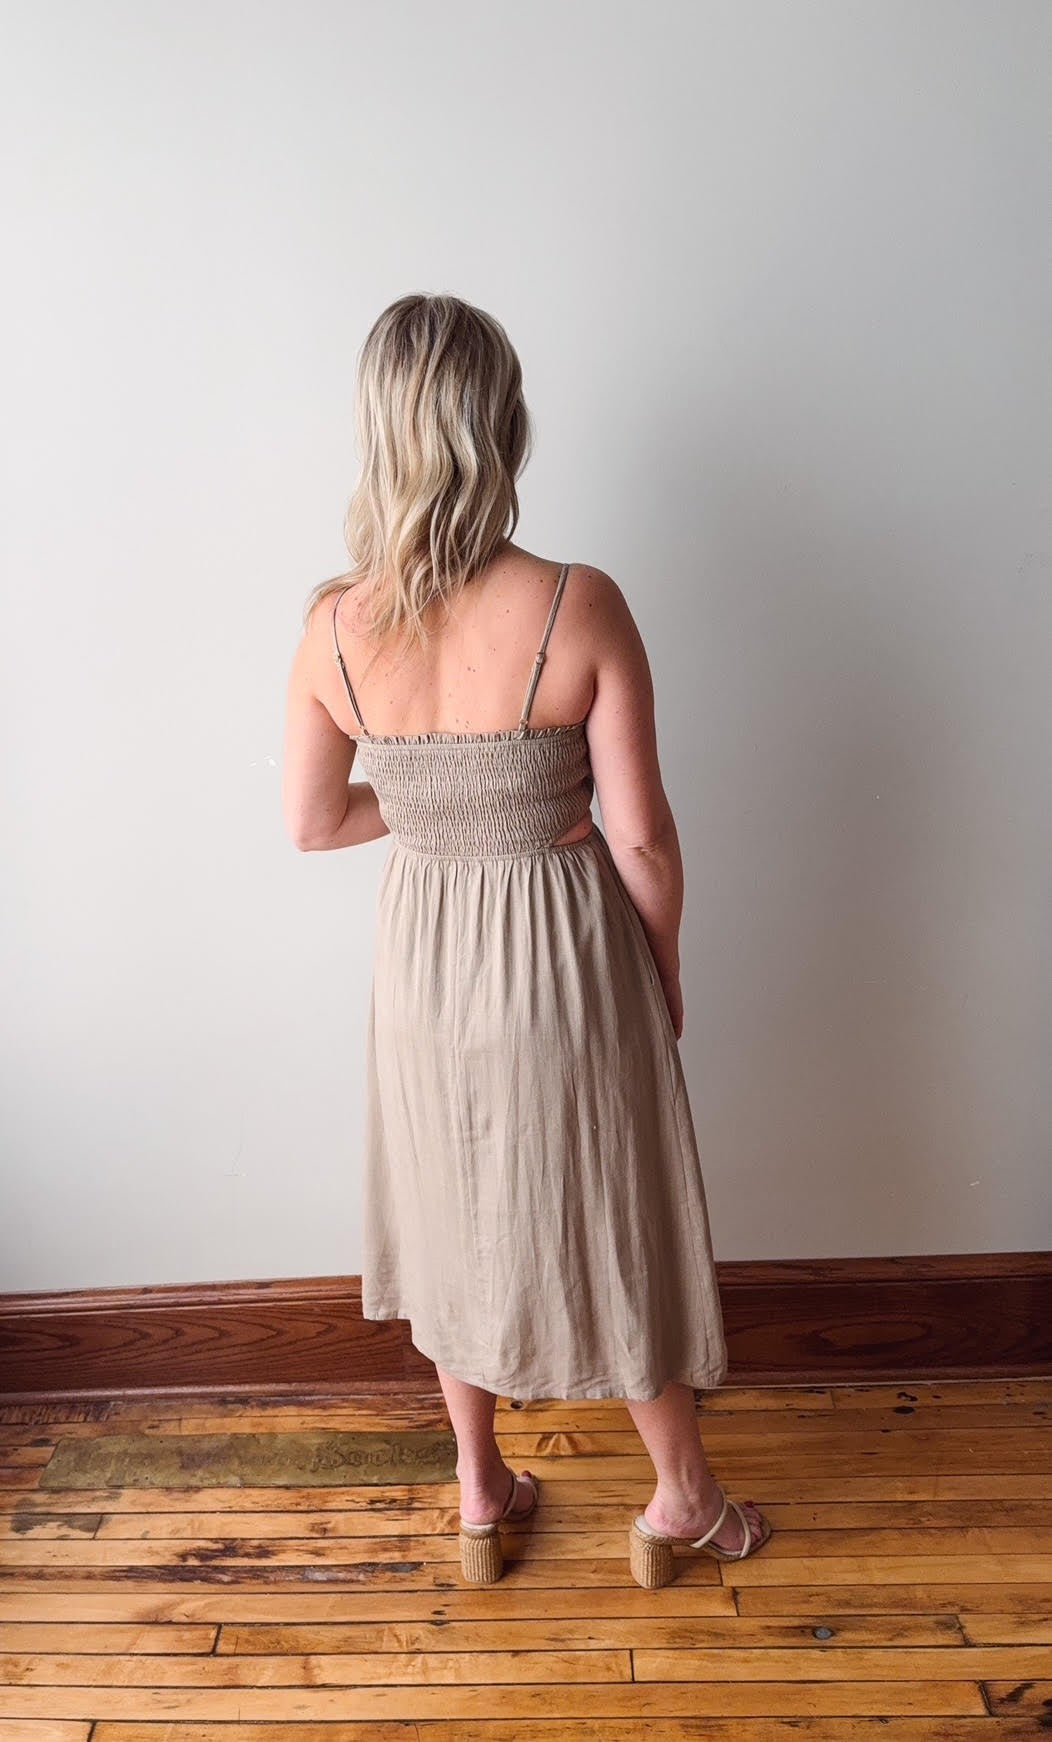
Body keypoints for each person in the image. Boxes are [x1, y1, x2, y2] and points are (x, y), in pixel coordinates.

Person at [282, 292, 773, 1586]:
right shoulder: (576, 603)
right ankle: (682, 1498)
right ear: (503, 427)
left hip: (423, 964)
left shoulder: (334, 627)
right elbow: (643, 837)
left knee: (451, 1209)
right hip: (563, 959)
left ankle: (480, 1490)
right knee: (614, 1210)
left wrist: (437, 810)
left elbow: (314, 819)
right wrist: (663, 964)